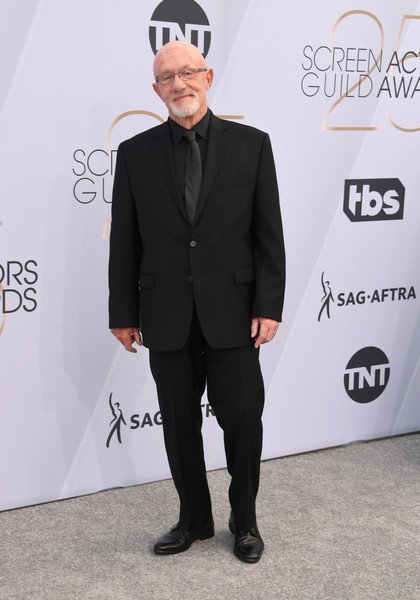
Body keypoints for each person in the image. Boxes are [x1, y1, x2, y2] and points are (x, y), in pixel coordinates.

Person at [108, 40, 285, 564]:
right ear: (156, 89)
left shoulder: (252, 145)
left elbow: (268, 235)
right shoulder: (135, 153)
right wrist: (123, 313)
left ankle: (245, 521)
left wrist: (268, 305)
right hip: (166, 315)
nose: (179, 84)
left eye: (188, 72)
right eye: (167, 77)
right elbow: (125, 241)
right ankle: (194, 519)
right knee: (179, 425)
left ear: (208, 77)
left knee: (244, 422)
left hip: (234, 314)